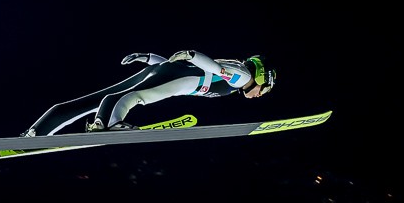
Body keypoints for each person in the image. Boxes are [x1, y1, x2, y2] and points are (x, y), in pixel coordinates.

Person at [20, 50, 277, 137]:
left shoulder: (237, 72)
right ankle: (106, 124)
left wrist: (147, 58)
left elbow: (176, 65)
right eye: (263, 90)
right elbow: (213, 68)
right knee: (134, 97)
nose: (259, 95)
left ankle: (36, 131)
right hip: (180, 78)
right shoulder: (242, 76)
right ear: (261, 78)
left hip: (169, 71)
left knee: (93, 100)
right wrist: (192, 54)